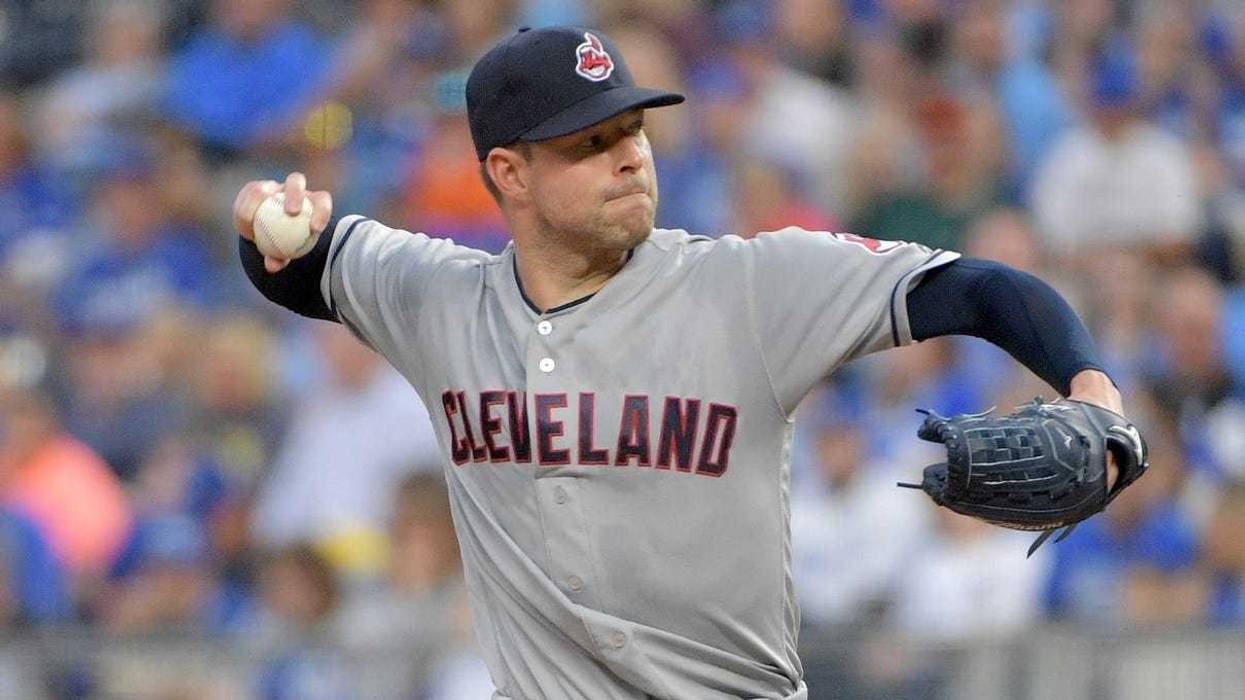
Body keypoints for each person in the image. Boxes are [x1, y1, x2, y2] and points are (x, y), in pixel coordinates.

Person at [232, 25, 1126, 700]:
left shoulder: (750, 286)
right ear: (508, 173)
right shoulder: (440, 300)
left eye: (632, 131)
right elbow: (301, 268)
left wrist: (1094, 394)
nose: (627, 157)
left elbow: (981, 288)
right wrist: (268, 224)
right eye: (588, 143)